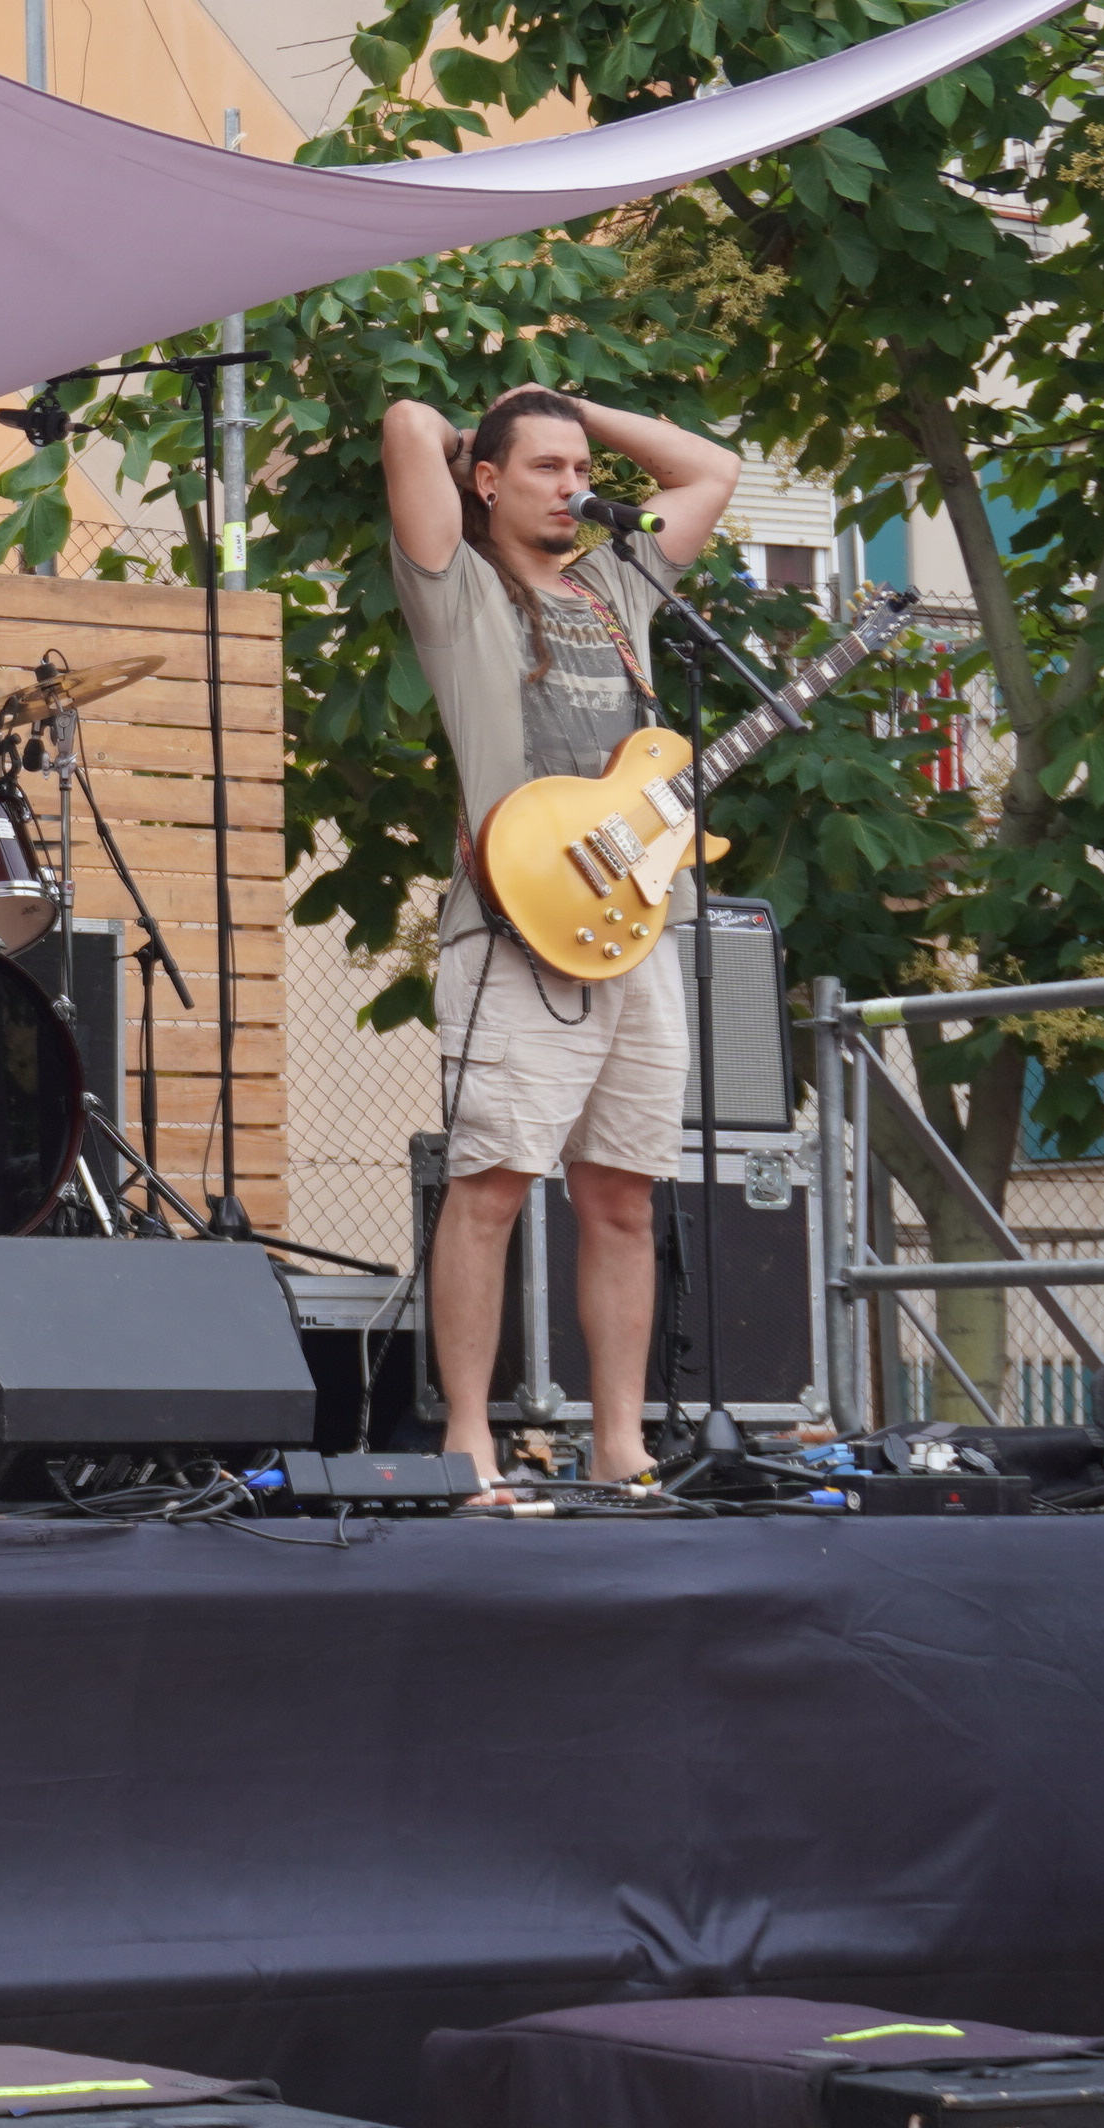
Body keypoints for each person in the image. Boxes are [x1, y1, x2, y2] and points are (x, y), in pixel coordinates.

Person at [380, 385, 740, 1493]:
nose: (573, 487)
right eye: (545, 467)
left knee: (623, 1196)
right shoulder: (455, 582)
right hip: (512, 930)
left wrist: (569, 407)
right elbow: (405, 423)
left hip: (639, 927)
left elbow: (710, 470)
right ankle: (469, 1441)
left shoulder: (618, 585)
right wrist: (492, 422)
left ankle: (621, 1443)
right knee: (490, 1185)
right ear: (486, 482)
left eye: (582, 470)